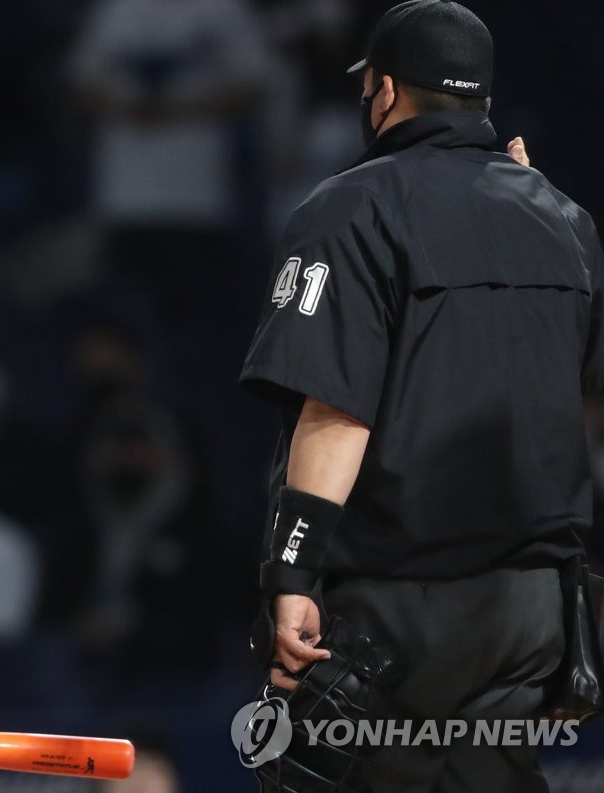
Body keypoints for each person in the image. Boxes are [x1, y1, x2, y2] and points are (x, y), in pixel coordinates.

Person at [239, 2, 604, 791]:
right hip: (535, 609)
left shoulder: (347, 209)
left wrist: (292, 576)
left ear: (385, 90)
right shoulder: (566, 218)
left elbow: (335, 412)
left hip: (402, 601)